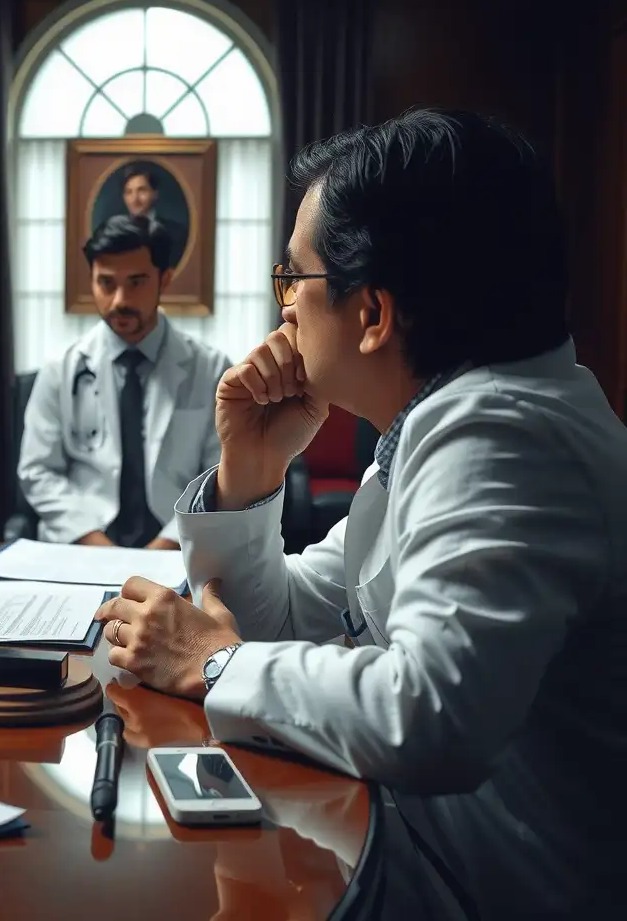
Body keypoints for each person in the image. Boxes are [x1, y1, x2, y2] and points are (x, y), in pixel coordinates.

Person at [95, 109, 624, 916]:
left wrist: (213, 662)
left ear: (372, 314)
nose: (285, 314)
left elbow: (429, 713)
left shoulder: (503, 432)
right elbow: (293, 612)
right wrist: (253, 467)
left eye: (293, 282)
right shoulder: (445, 422)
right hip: (422, 849)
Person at [19, 214, 230, 549]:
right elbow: (38, 472)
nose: (119, 300)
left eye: (136, 282)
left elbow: (220, 475)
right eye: (106, 283)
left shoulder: (211, 369)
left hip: (178, 548)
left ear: (165, 280)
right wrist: (100, 549)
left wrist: (166, 545)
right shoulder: (60, 369)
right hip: (82, 549)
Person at [118, 162, 189, 269]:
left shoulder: (177, 233)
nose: (135, 199)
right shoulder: (113, 234)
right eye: (129, 192)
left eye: (141, 190)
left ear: (155, 194)